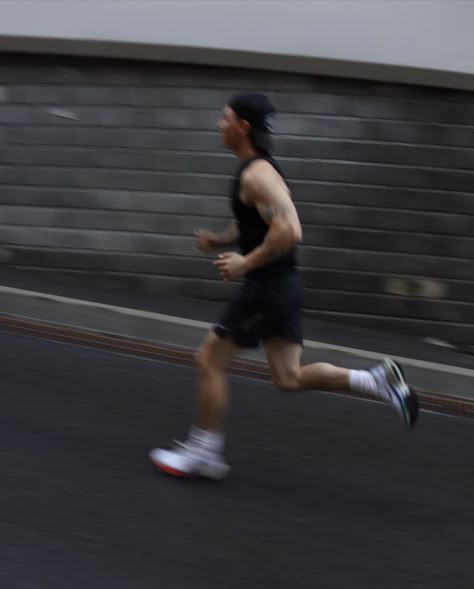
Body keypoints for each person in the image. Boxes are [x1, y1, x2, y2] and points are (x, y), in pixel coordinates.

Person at [149, 93, 419, 479]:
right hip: (284, 286)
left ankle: (203, 451)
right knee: (288, 377)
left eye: (224, 118)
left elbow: (289, 229)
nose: (218, 125)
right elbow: (255, 225)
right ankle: (376, 380)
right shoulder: (258, 171)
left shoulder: (257, 175)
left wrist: (246, 261)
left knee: (209, 360)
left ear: (242, 126)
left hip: (268, 289)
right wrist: (222, 240)